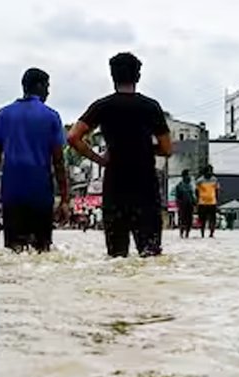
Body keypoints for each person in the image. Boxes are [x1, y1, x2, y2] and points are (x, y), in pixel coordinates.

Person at [68, 52, 172, 258]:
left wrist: (100, 159)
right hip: (145, 190)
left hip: (115, 188)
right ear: (138, 76)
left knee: (116, 258)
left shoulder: (103, 106)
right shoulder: (150, 107)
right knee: (150, 256)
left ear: (112, 76)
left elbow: (73, 137)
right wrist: (144, 148)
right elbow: (167, 149)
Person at [0, 68, 69, 253]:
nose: (48, 92)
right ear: (39, 86)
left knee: (14, 252)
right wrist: (64, 199)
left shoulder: (3, 115)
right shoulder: (51, 116)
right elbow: (58, 162)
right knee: (41, 253)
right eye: (47, 86)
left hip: (12, 194)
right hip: (41, 194)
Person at [196, 165, 220, 238]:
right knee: (202, 219)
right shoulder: (199, 181)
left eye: (210, 171)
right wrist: (198, 200)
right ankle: (202, 233)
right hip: (202, 203)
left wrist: (217, 200)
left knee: (212, 219)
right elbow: (196, 191)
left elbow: (217, 191)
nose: (209, 173)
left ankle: (211, 233)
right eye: (207, 171)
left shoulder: (215, 180)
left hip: (212, 202)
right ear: (204, 172)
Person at [174, 169, 196, 239]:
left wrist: (194, 202)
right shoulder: (180, 185)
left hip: (190, 204)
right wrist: (179, 203)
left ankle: (187, 233)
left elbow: (193, 195)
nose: (189, 177)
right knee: (182, 219)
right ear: (183, 176)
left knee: (189, 219)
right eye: (187, 175)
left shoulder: (191, 185)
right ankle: (182, 232)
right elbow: (177, 196)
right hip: (183, 205)